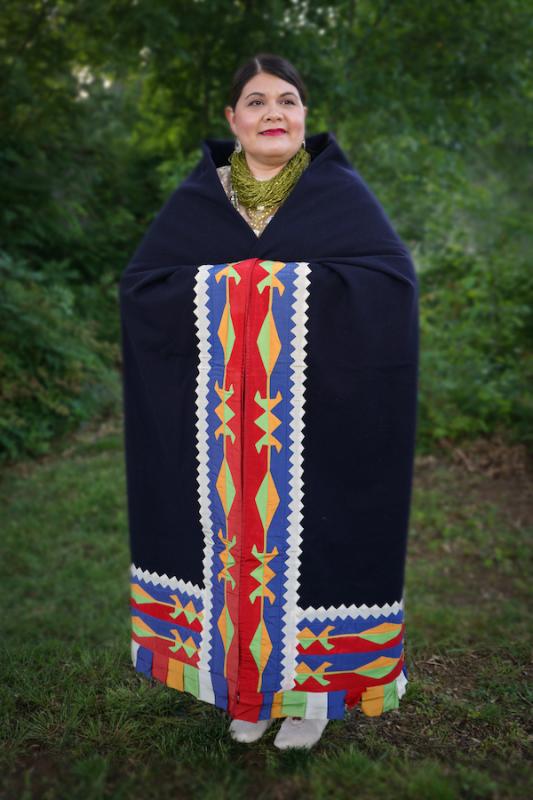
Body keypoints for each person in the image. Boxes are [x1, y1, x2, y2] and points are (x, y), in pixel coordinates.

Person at [119, 53, 419, 751]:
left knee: (321, 551)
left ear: (305, 116)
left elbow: (389, 283)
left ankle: (312, 698)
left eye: (287, 100)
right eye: (256, 102)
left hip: (320, 423)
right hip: (218, 433)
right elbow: (144, 288)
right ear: (232, 119)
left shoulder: (335, 193)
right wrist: (246, 286)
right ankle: (244, 694)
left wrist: (266, 287)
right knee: (227, 558)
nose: (273, 113)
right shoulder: (203, 199)